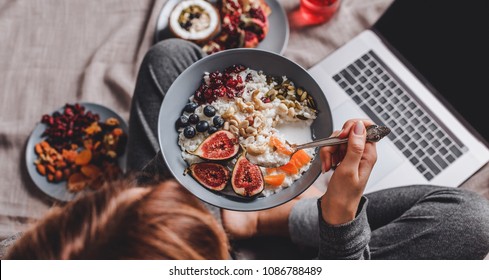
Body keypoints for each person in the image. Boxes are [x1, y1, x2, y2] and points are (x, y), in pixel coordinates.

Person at [3, 39, 489, 259]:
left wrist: (173, 172)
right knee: (472, 222)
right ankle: (259, 223)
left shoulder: (26, 258)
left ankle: (255, 218)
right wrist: (338, 219)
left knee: (170, 57)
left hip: (167, 229)